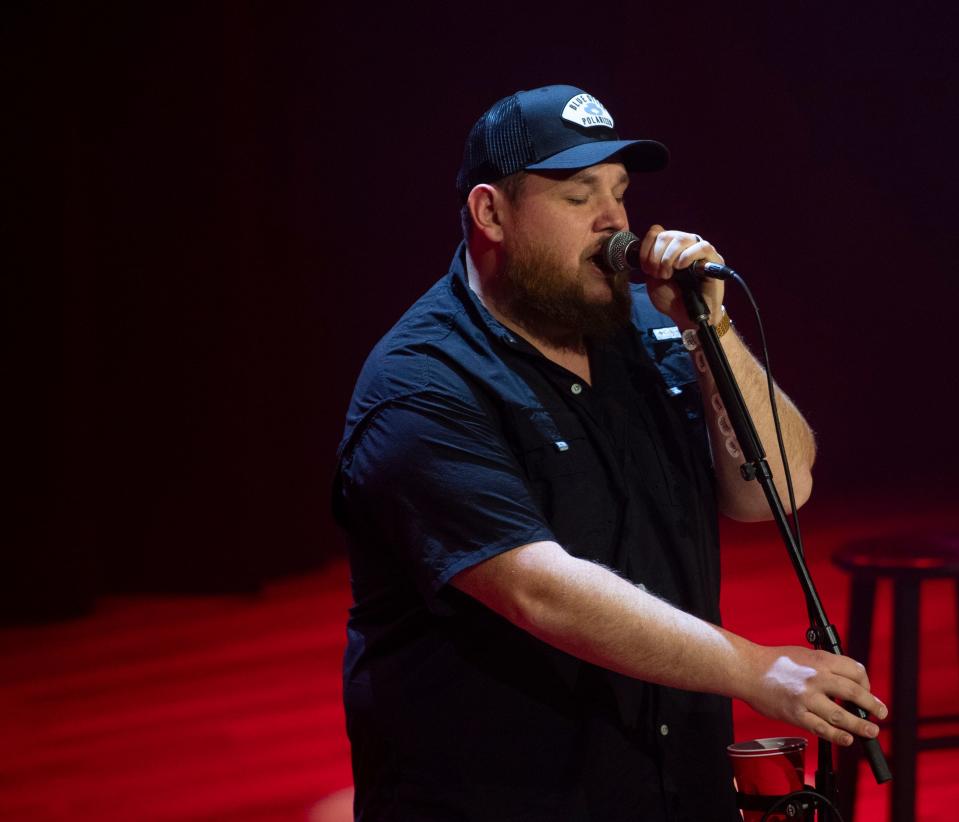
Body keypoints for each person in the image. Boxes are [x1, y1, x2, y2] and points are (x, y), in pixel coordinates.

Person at [332, 84, 887, 821]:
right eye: (577, 194)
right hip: (504, 798)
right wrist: (754, 670)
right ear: (491, 213)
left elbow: (776, 491)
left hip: (671, 785)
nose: (615, 220)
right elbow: (539, 589)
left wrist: (710, 331)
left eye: (620, 192)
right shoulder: (419, 384)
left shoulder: (651, 333)